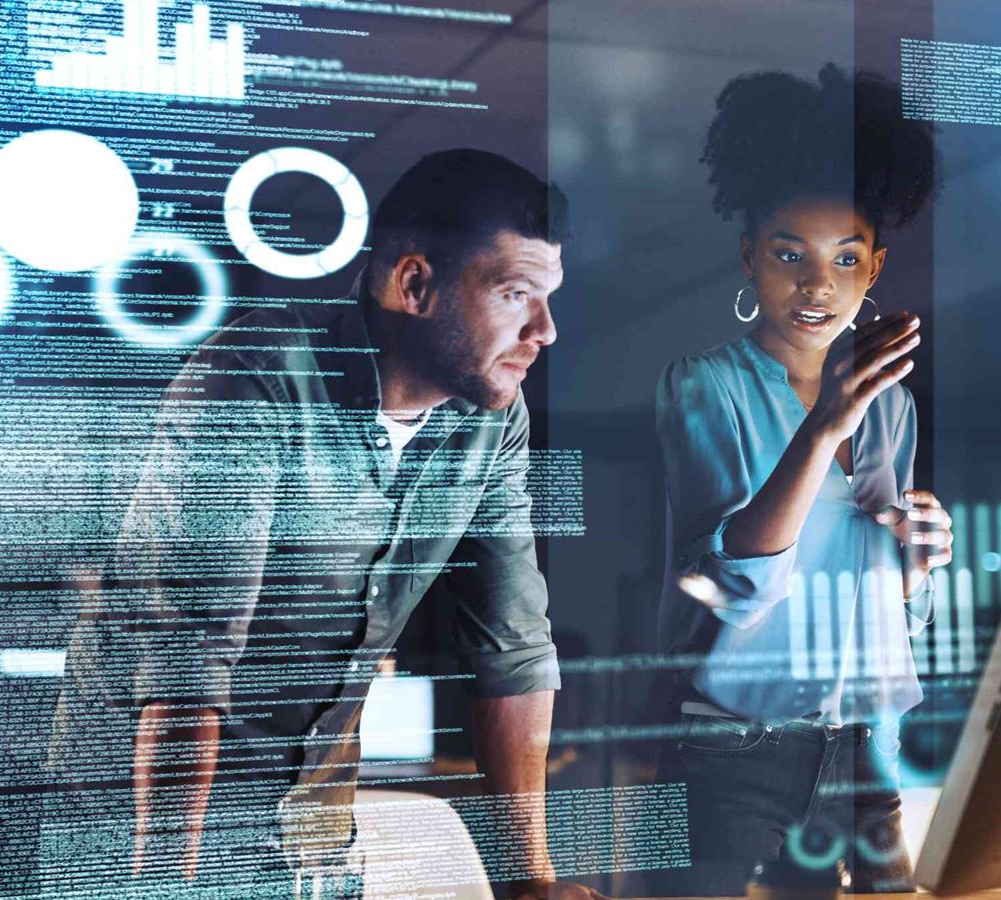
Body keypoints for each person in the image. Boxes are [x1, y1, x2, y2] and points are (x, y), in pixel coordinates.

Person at [48, 149, 601, 900]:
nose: (546, 330)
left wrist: (533, 881)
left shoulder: (491, 420)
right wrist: (164, 885)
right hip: (139, 830)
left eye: (548, 298)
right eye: (515, 294)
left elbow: (513, 650)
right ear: (415, 285)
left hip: (310, 839)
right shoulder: (253, 374)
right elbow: (187, 667)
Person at [651, 65, 952, 895]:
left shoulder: (891, 408)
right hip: (738, 749)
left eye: (845, 258)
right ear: (750, 256)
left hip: (867, 748)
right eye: (790, 254)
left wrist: (916, 563)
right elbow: (731, 592)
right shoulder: (703, 385)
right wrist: (823, 429)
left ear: (873, 268)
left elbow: (900, 618)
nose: (818, 284)